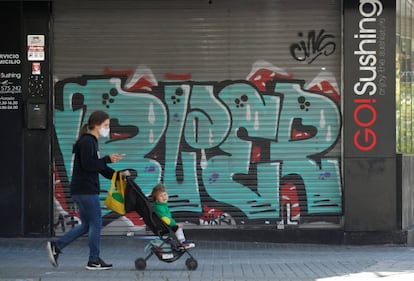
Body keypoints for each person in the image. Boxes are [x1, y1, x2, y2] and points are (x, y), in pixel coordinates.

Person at [47, 110, 125, 270]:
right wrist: (107, 159)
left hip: (82, 189)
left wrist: (117, 176)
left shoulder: (90, 141)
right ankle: (93, 260)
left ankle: (57, 246)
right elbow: (90, 165)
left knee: (86, 225)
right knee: (96, 222)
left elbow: (97, 166)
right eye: (106, 125)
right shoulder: (88, 142)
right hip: (86, 190)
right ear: (96, 125)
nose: (107, 129)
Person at [151, 183, 195, 249]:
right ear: (156, 199)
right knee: (178, 228)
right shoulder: (159, 207)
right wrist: (174, 224)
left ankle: (180, 243)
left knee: (177, 227)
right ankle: (183, 243)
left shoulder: (162, 205)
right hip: (164, 226)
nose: (164, 197)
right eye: (161, 196)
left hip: (165, 225)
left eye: (165, 194)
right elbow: (165, 218)